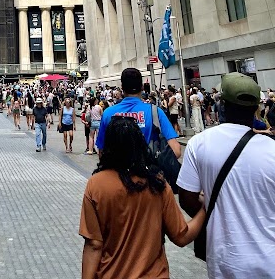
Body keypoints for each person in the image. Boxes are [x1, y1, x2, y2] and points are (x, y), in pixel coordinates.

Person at [79, 117, 205, 279]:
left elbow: (94, 245)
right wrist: (204, 209)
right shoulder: (157, 184)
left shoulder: (96, 185)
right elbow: (181, 237)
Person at [178, 72, 275, 279]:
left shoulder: (199, 143)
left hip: (225, 261)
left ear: (222, 105)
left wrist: (216, 208)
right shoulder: (272, 149)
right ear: (256, 109)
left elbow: (186, 199)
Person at [95, 68, 181, 159]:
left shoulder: (108, 113)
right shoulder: (155, 112)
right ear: (142, 87)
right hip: (147, 170)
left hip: (119, 171)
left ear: (122, 87)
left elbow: (102, 152)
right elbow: (176, 150)